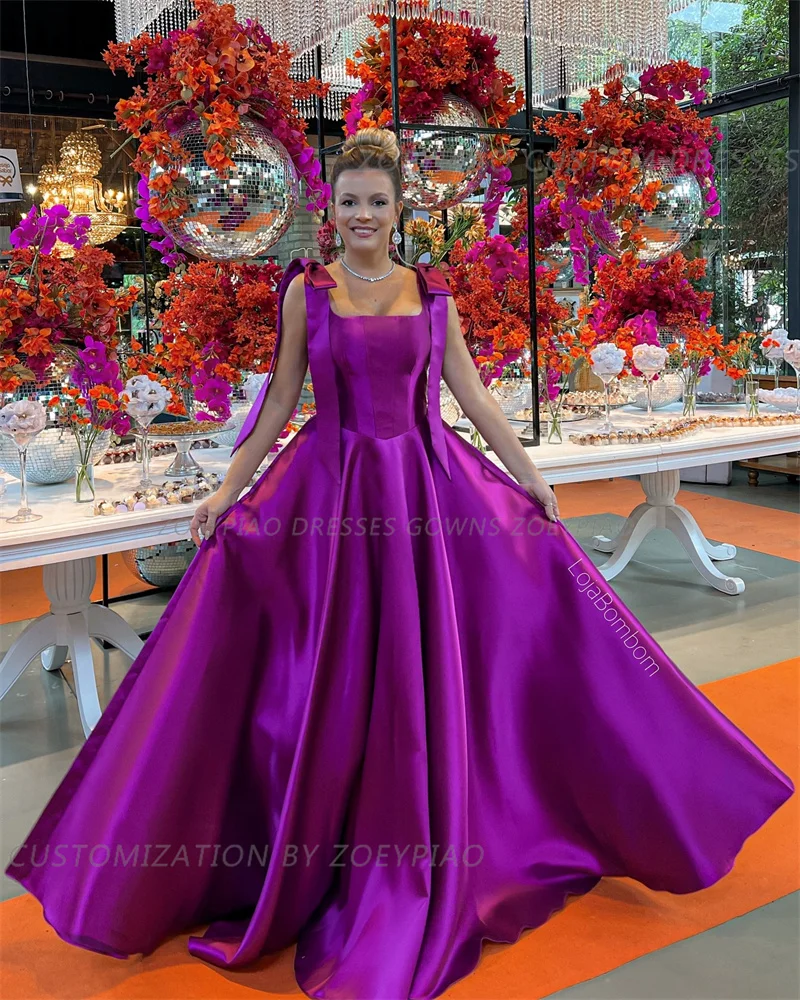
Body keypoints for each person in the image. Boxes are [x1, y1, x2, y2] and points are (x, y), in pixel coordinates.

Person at [5, 128, 793, 1000]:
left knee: (471, 648)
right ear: (329, 212)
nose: (362, 217)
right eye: (348, 203)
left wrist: (530, 478)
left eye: (377, 202)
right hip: (330, 496)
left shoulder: (433, 291)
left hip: (425, 493)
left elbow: (470, 394)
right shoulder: (305, 291)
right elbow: (276, 403)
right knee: (326, 673)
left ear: (399, 208)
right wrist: (229, 489)